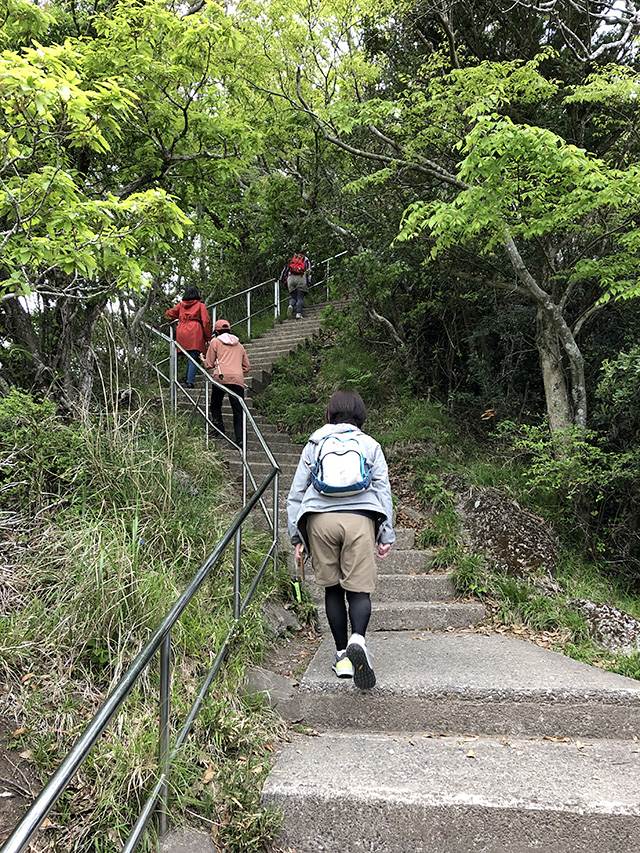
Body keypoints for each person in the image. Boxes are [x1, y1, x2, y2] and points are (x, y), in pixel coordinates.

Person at [287, 390, 394, 689]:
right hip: (360, 519)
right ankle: (358, 638)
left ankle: (343, 658)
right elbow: (383, 492)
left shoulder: (315, 443)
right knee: (358, 590)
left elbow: (296, 493)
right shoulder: (370, 445)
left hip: (319, 520)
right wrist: (386, 534)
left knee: (332, 588)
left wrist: (297, 536)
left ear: (330, 414)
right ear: (361, 415)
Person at [201, 319, 251, 447]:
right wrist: (237, 373)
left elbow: (209, 364)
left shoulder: (215, 341)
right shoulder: (239, 345)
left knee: (215, 405)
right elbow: (247, 367)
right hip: (237, 379)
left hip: (221, 377)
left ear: (216, 331)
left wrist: (202, 359)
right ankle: (240, 439)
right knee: (238, 410)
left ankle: (219, 430)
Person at [164, 286, 211, 388]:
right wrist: (208, 337)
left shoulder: (181, 306)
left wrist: (177, 317)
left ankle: (187, 378)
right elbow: (206, 321)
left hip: (182, 331)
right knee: (194, 356)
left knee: (190, 355)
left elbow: (168, 315)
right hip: (195, 331)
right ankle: (190, 381)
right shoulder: (200, 306)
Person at [279, 250, 311, 319]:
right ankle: (298, 314)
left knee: (293, 297)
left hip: (291, 279)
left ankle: (290, 306)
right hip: (301, 278)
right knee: (300, 297)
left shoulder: (292, 258)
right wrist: (308, 282)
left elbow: (285, 270)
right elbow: (308, 271)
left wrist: (283, 279)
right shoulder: (305, 259)